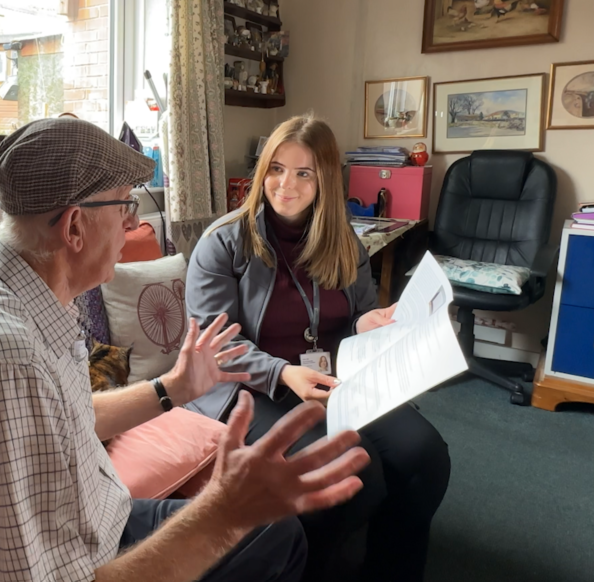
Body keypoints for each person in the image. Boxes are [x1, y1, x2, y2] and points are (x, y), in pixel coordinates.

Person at [0, 117, 372, 582]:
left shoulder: (21, 294)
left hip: (96, 520)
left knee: (278, 534)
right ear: (74, 228)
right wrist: (222, 514)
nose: (133, 223)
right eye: (124, 206)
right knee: (264, 532)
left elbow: (69, 415)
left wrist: (173, 387)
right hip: (79, 556)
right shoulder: (6, 360)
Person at [185, 114, 451, 582]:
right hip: (250, 389)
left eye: (304, 173)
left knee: (424, 455)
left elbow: (355, 319)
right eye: (276, 169)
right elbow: (216, 344)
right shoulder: (224, 243)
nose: (286, 184)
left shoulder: (344, 240)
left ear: (325, 178)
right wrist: (283, 373)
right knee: (353, 474)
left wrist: (369, 323)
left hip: (332, 380)